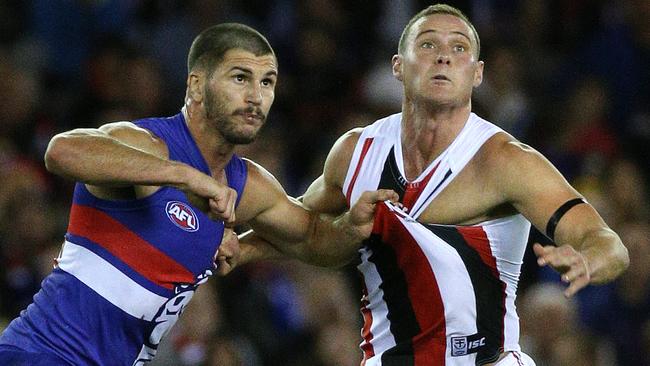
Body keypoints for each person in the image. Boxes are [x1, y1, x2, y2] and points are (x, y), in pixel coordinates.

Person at [233, 4, 630, 366]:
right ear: (397, 66)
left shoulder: (506, 161)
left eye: (459, 48)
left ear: (477, 74)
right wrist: (237, 247)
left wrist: (589, 259)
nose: (444, 56)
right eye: (427, 44)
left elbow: (605, 241)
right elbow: (305, 227)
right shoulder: (355, 152)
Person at [0, 23, 397, 365]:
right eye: (240, 78)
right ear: (196, 85)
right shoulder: (148, 143)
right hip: (40, 353)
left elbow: (313, 241)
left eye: (268, 82)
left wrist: (352, 225)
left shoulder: (248, 186)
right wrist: (183, 175)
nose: (256, 96)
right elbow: (62, 151)